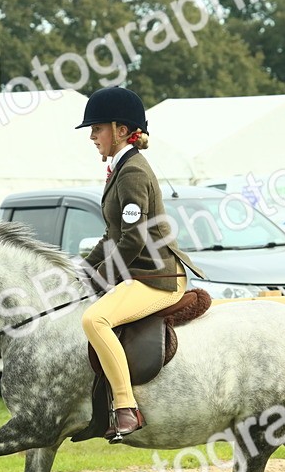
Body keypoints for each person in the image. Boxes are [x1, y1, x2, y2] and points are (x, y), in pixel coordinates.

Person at [76, 87, 203, 442]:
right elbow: (112, 235)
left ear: (120, 130)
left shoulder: (132, 172)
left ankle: (126, 408)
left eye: (97, 128)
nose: (92, 136)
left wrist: (101, 277)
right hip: (142, 271)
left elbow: (132, 240)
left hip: (158, 276)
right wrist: (80, 271)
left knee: (95, 319)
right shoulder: (121, 169)